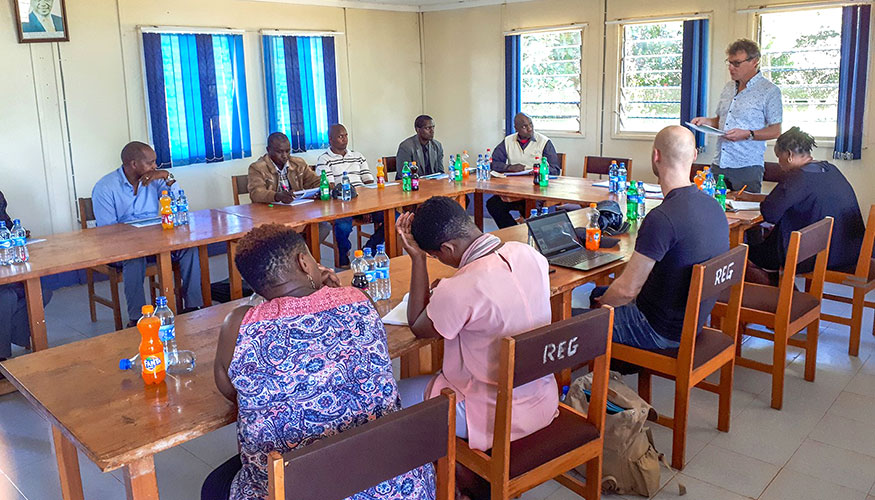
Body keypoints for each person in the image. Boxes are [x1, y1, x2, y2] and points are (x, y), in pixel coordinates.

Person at [204, 223, 435, 500]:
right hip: (397, 483)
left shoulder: (239, 325)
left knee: (214, 484)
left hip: (296, 487)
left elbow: (231, 391)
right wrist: (332, 290)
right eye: (312, 258)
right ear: (304, 262)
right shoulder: (358, 299)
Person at [394, 196, 558, 496]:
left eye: (434, 256)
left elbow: (418, 325)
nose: (438, 261)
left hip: (493, 414)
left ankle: (443, 482)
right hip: (542, 397)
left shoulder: (461, 287)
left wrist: (416, 259)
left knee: (391, 399)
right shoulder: (530, 254)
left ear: (447, 249)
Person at [586, 126, 729, 350]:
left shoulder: (662, 217)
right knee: (599, 293)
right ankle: (610, 372)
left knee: (569, 320)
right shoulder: (714, 206)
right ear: (693, 156)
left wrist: (603, 306)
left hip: (656, 330)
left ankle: (603, 375)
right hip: (692, 321)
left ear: (656, 156)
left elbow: (627, 291)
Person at [91, 142, 204, 326]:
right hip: (122, 247)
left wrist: (168, 177)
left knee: (189, 249)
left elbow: (179, 204)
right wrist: (138, 238)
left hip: (155, 241)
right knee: (135, 258)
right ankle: (137, 318)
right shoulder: (105, 187)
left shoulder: (156, 179)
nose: (155, 167)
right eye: (150, 163)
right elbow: (107, 232)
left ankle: (193, 307)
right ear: (134, 164)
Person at [737, 127, 865, 285]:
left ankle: (777, 299)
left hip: (815, 255)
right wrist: (752, 197)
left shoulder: (797, 177)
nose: (779, 163)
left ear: (789, 155)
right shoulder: (830, 169)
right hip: (849, 249)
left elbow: (770, 214)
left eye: (779, 157)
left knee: (741, 253)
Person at [691, 39, 782, 193]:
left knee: (744, 212)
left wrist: (748, 134)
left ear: (754, 62)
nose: (731, 68)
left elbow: (776, 130)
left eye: (737, 63)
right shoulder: (728, 88)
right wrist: (705, 121)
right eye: (729, 63)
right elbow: (721, 121)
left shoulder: (769, 91)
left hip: (746, 166)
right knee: (713, 210)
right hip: (720, 162)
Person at [316, 124, 384, 266]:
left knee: (395, 218)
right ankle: (343, 254)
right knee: (343, 227)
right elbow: (331, 187)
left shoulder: (358, 156)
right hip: (342, 204)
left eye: (346, 135)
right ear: (331, 139)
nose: (345, 139)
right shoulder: (324, 159)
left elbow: (369, 181)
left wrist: (367, 205)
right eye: (341, 136)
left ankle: (369, 249)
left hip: (364, 200)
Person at [0, 191, 51, 370]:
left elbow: (5, 225)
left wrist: (15, 234)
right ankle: (2, 357)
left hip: (4, 266)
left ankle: (15, 337)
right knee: (6, 297)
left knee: (41, 292)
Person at [486, 113, 561, 228]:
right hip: (515, 190)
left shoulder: (544, 142)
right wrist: (509, 167)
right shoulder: (508, 141)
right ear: (516, 128)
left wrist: (537, 170)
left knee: (530, 206)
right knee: (493, 205)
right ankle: (513, 232)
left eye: (531, 124)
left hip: (537, 191)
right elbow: (494, 163)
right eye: (524, 127)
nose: (530, 128)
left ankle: (529, 235)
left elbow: (555, 170)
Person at [247, 132, 321, 204]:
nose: (285, 156)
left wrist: (326, 186)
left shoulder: (298, 164)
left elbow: (314, 181)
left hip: (296, 209)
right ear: (268, 150)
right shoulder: (257, 168)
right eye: (279, 152)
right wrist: (277, 196)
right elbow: (256, 194)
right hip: (269, 211)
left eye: (288, 151)